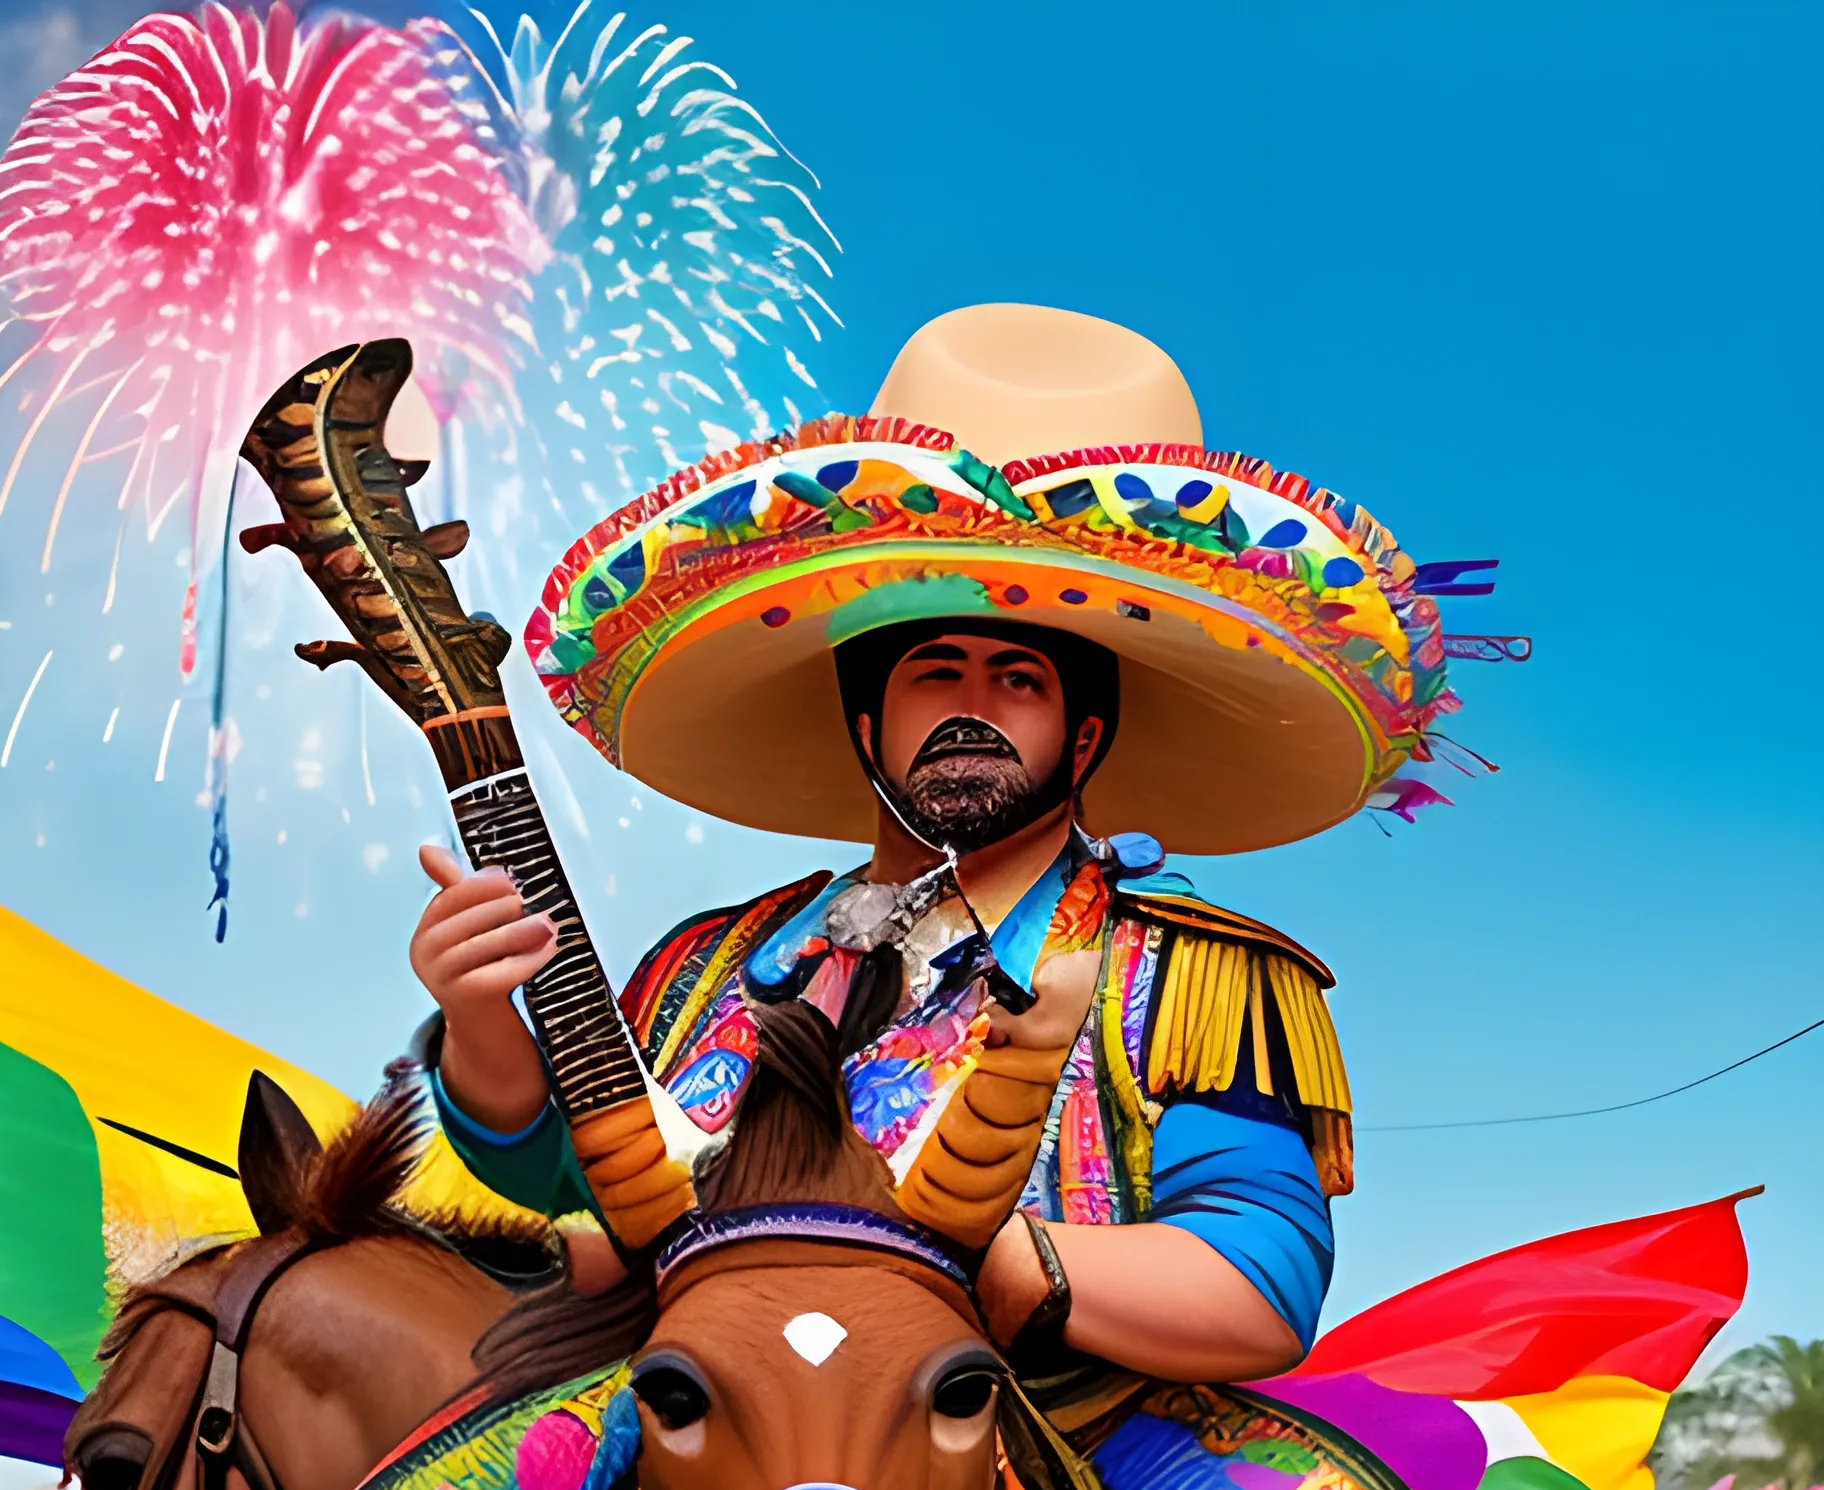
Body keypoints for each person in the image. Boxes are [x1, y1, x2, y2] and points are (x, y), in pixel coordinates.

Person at [413, 304, 1456, 1384]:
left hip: (1039, 1444)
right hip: (688, 1430)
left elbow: (1260, 1280)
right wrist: (481, 1015)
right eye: (932, 669)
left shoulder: (1194, 979)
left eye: (1018, 677)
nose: (973, 705)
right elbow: (577, 1185)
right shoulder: (708, 964)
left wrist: (987, 1262)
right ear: (864, 723)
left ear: (1084, 731)